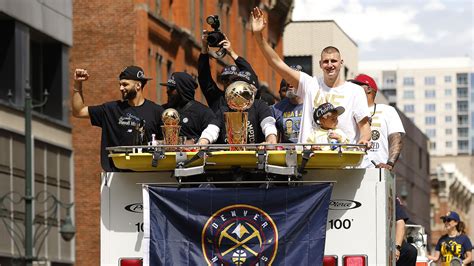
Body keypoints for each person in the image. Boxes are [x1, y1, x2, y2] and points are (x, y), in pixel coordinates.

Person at [251, 7, 371, 146]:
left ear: (341, 63)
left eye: (334, 61)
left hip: (344, 161)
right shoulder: (309, 84)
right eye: (326, 61)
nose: (330, 65)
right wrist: (258, 36)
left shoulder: (355, 91)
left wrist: (364, 140)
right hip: (311, 161)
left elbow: (364, 126)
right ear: (320, 64)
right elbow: (276, 63)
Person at [72, 66, 164, 171]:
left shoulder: (156, 111)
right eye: (120, 84)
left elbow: (166, 144)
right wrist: (77, 84)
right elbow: (78, 111)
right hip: (116, 176)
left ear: (138, 85)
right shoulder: (111, 109)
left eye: (125, 84)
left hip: (149, 174)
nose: (121, 88)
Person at [349, 74, 405, 169]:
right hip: (350, 169)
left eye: (357, 86)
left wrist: (389, 164)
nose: (353, 89)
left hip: (377, 169)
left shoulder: (387, 110)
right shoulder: (349, 111)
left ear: (369, 89)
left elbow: (396, 138)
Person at [198, 31, 258, 114]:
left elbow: (251, 76)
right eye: (225, 80)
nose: (229, 83)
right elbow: (204, 77)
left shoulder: (248, 99)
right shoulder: (217, 99)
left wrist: (231, 52)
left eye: (233, 80)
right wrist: (204, 48)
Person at [159, 72, 220, 145]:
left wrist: (197, 142)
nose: (167, 91)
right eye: (168, 88)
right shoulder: (162, 110)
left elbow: (214, 134)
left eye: (172, 88)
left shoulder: (203, 112)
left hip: (193, 155)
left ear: (183, 90)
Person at [271, 65, 304, 143]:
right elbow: (274, 137)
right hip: (286, 153)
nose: (290, 82)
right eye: (287, 78)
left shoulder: (313, 103)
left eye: (294, 78)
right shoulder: (276, 108)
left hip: (310, 153)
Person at [395, 198, 418, 265]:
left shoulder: (394, 199)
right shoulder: (393, 198)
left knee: (410, 251)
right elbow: (401, 223)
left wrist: (397, 248)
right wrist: (397, 248)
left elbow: (400, 223)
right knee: (410, 251)